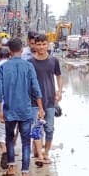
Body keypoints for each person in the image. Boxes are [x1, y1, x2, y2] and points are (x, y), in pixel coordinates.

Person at [0, 38, 44, 176]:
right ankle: (25, 173)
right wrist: (40, 107)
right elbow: (36, 88)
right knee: (26, 141)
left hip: (9, 109)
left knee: (9, 139)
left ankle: (11, 168)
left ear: (9, 50)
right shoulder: (28, 66)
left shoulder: (4, 67)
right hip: (25, 110)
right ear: (22, 50)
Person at [28, 33, 63, 165]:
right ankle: (40, 155)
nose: (41, 47)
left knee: (49, 128)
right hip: (34, 102)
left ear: (47, 45)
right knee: (36, 128)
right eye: (39, 44)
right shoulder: (30, 63)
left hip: (50, 101)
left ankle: (46, 152)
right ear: (34, 45)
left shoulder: (54, 61)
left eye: (44, 44)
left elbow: (59, 76)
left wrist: (59, 91)